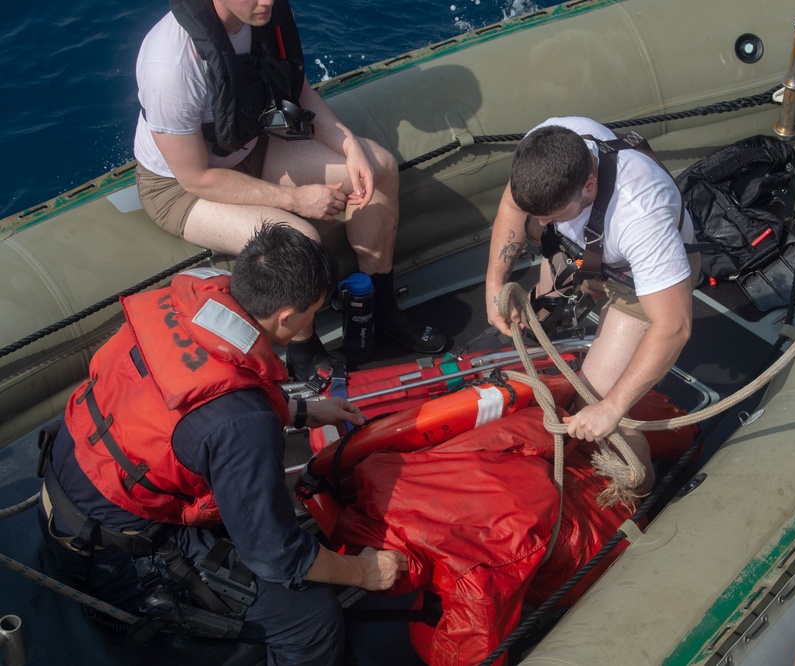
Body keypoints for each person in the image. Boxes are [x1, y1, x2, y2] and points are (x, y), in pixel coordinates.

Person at [37, 223, 407, 665]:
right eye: (316, 311)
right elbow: (278, 557)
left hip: (68, 477)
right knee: (309, 621)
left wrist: (301, 412)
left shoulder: (192, 298)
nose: (316, 320)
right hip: (111, 551)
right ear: (287, 316)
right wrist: (365, 571)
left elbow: (185, 402)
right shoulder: (242, 424)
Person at [132, 0, 445, 379]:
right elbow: (196, 177)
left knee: (378, 167)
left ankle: (379, 306)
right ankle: (303, 352)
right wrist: (295, 200)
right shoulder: (169, 66)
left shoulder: (263, 12)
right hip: (182, 189)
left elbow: (299, 89)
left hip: (253, 145)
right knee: (299, 240)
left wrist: (348, 145)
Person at [484, 117, 697, 496]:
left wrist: (611, 408)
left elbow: (675, 327)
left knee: (594, 400)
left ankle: (640, 490)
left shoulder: (640, 215)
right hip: (587, 253)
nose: (541, 222)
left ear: (589, 185)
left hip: (637, 283)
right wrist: (494, 283)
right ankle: (578, 292)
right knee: (541, 319)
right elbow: (514, 204)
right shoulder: (549, 141)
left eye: (550, 214)